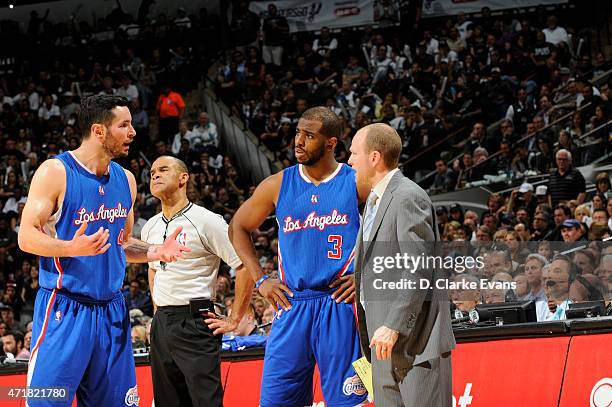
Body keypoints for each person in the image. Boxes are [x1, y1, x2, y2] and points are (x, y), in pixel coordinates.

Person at [17, 95, 189, 406]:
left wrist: (154, 251)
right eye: (124, 125)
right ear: (99, 131)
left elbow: (121, 245)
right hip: (65, 308)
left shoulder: (127, 180)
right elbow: (26, 237)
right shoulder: (55, 172)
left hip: (111, 310)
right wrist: (71, 247)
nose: (133, 132)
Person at [224, 107, 367, 406]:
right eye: (298, 133)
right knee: (277, 400)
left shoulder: (355, 181)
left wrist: (367, 273)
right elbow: (238, 226)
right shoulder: (278, 184)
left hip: (340, 304)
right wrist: (260, 278)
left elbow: (394, 227)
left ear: (330, 143)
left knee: (348, 402)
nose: (298, 141)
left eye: (309, 135)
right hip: (292, 304)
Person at [348, 123, 456, 406]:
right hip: (382, 347)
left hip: (415, 345)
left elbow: (418, 267)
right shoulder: (373, 202)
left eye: (353, 154)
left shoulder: (408, 196)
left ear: (374, 157)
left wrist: (394, 325)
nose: (349, 161)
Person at [142, 155, 254, 407]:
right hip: (162, 323)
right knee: (167, 401)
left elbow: (243, 265)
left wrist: (235, 318)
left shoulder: (207, 220)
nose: (155, 175)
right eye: (151, 173)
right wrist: (158, 310)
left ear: (183, 178)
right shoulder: (149, 226)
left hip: (195, 320)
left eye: (163, 170)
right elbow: (153, 270)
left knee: (205, 401)